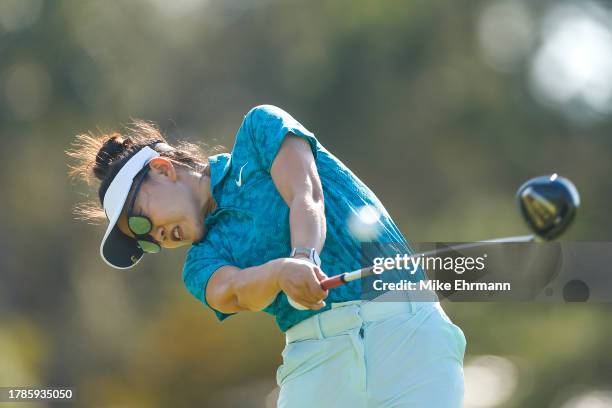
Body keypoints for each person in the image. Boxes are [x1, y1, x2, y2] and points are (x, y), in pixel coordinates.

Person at [68, 105, 466, 407]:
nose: (153, 236)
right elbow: (236, 292)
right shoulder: (201, 262)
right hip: (316, 355)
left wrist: (304, 257)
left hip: (406, 326)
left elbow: (306, 194)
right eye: (144, 242)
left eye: (140, 221)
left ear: (162, 169)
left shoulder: (259, 131)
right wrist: (279, 273)